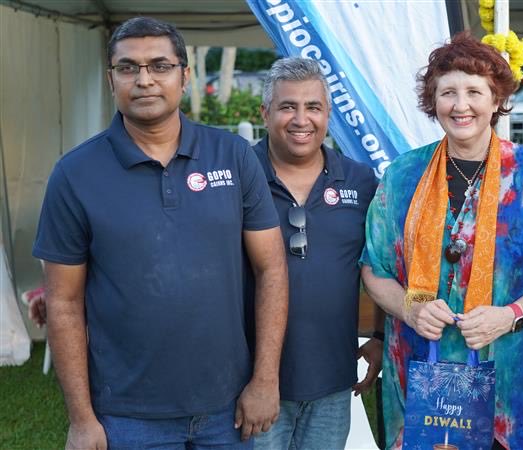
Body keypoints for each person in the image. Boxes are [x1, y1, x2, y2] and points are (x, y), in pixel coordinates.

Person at [32, 17, 289, 449]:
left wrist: (265, 379)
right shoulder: (75, 174)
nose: (144, 80)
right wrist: (81, 418)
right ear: (111, 80)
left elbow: (272, 270)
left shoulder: (233, 156)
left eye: (160, 66)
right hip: (127, 415)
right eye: (128, 68)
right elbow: (63, 303)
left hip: (227, 406)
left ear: (184, 76)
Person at [360, 32, 523, 449]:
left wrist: (509, 315)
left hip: (513, 382)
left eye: (474, 92)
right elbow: (375, 268)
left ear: (496, 100)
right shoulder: (402, 176)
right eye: (448, 93)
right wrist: (409, 309)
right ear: (433, 101)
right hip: (423, 378)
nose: (461, 105)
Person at [250, 57, 383, 450]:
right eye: (287, 106)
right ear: (265, 113)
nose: (301, 119)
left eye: (313, 107)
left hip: (332, 381)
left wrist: (379, 335)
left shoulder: (360, 180)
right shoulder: (240, 175)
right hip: (253, 383)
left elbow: (380, 264)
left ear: (328, 114)